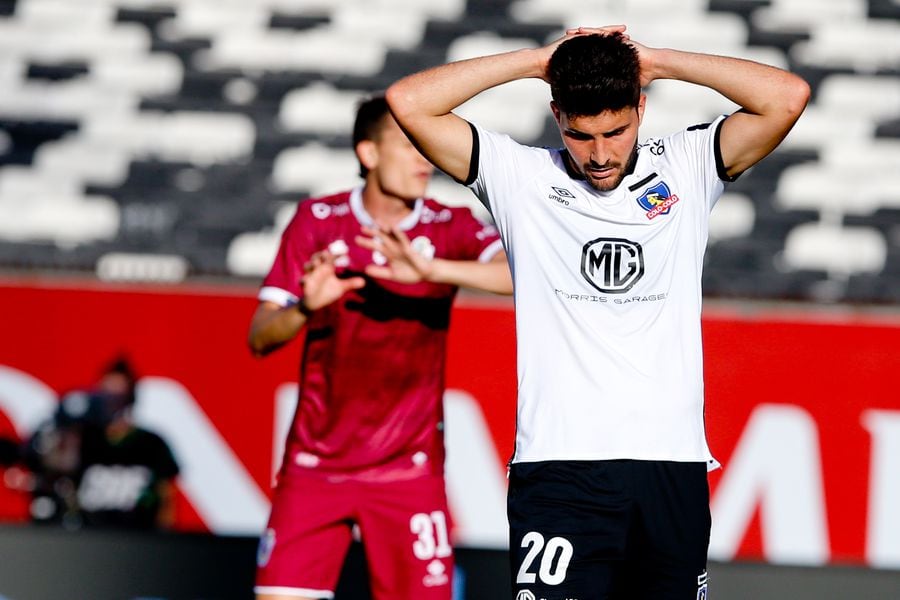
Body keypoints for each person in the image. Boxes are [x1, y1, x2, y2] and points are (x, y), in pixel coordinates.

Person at [386, 26, 810, 599]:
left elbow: (787, 96)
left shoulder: (687, 163)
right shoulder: (521, 177)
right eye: (581, 135)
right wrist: (540, 61)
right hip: (559, 467)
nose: (602, 154)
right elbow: (407, 103)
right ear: (557, 114)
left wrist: (654, 62)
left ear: (641, 107)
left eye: (617, 130)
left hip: (670, 465)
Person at [247, 94, 511, 600]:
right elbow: (260, 337)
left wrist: (431, 270)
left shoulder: (447, 225)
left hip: (407, 470)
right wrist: (304, 308)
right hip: (316, 466)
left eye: (426, 146)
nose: (423, 159)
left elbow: (521, 273)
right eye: (409, 144)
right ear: (368, 154)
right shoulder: (318, 221)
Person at [23, 356, 179, 530]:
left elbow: (166, 497)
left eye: (119, 395)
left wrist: (164, 538)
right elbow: (57, 479)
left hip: (139, 541)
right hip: (91, 539)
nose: (112, 403)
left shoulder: (151, 443)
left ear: (131, 396)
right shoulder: (83, 439)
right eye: (106, 394)